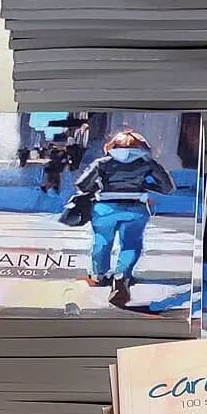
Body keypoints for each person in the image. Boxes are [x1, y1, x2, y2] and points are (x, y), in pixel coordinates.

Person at [74, 129, 175, 308]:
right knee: (130, 244)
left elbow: (82, 185)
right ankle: (122, 276)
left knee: (102, 241)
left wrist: (99, 186)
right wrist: (145, 185)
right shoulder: (148, 163)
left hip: (105, 207)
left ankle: (99, 275)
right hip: (135, 207)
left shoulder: (102, 163)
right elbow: (168, 188)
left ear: (113, 145)